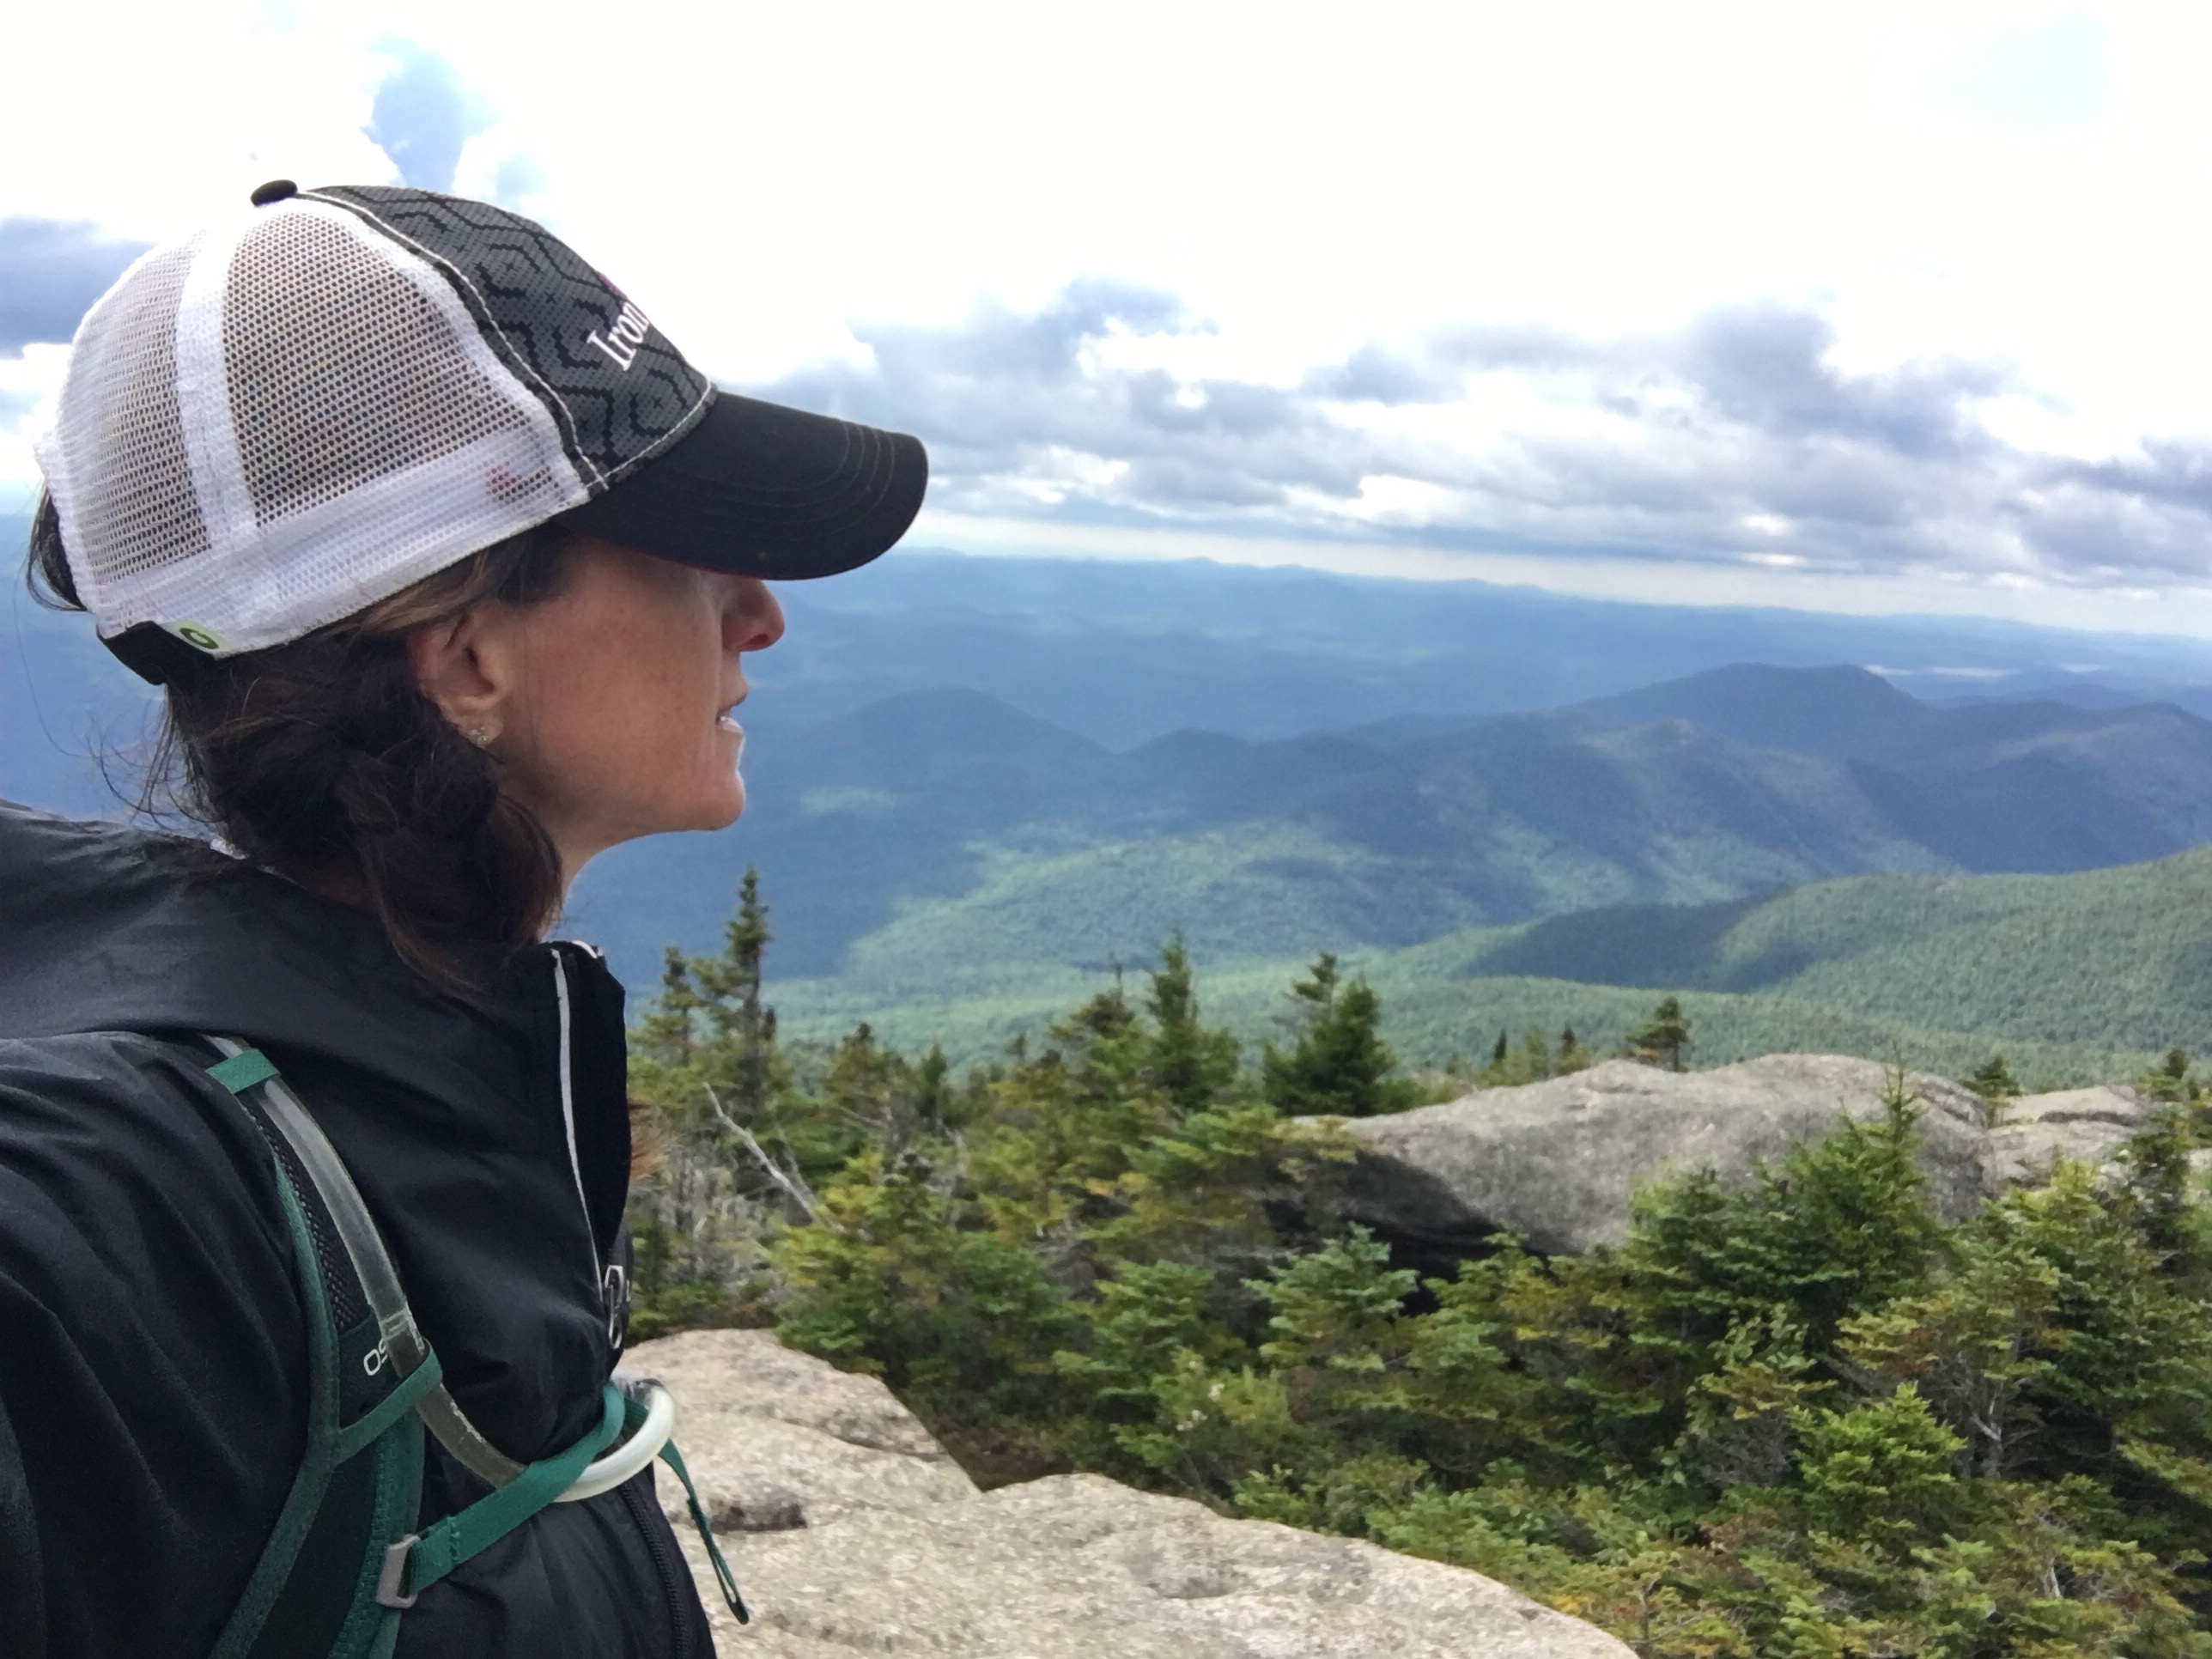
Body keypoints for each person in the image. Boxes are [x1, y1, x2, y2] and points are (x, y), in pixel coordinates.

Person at [0, 181, 927, 1656]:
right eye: (693, 550)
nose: (760, 614)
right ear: (467, 660)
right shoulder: (135, 1177)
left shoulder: (414, 1056)